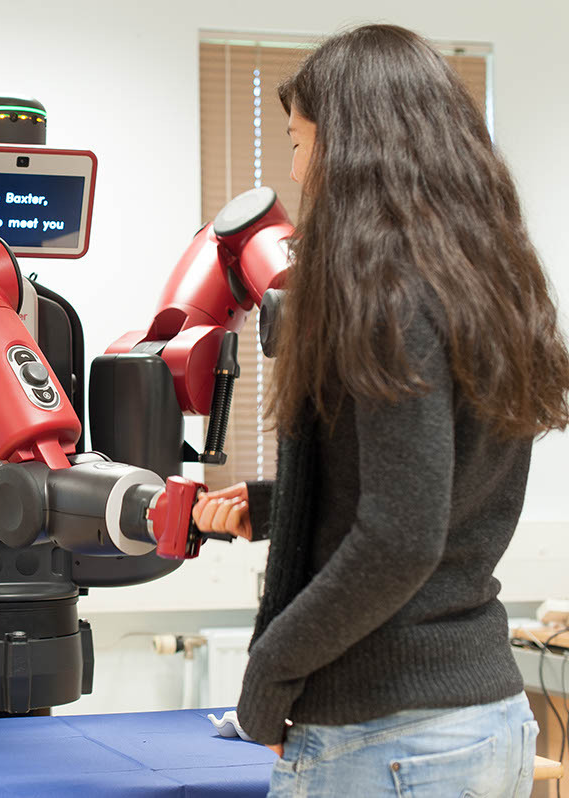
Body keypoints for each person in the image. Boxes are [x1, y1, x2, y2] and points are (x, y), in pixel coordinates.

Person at [190, 23, 569, 797]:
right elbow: (436, 486)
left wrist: (270, 672)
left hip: (387, 737)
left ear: (351, 147)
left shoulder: (387, 296)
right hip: (486, 718)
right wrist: (276, 507)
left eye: (298, 143)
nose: (294, 170)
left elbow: (400, 539)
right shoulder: (488, 285)